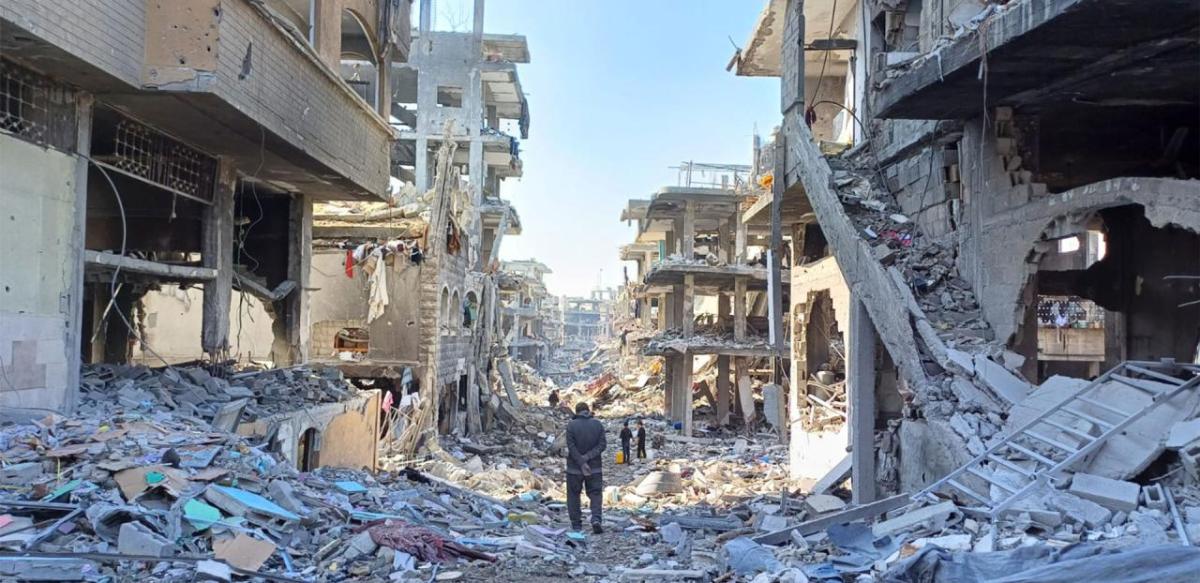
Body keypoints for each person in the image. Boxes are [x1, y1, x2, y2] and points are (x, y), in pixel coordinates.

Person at [565, 401, 606, 533]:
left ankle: (576, 525)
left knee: (573, 495)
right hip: (595, 468)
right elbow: (602, 445)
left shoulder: (571, 426)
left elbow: (571, 447)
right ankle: (596, 519)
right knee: (595, 494)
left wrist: (581, 462)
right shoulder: (598, 425)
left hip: (574, 469)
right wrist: (588, 457)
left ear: (576, 412)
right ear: (588, 411)